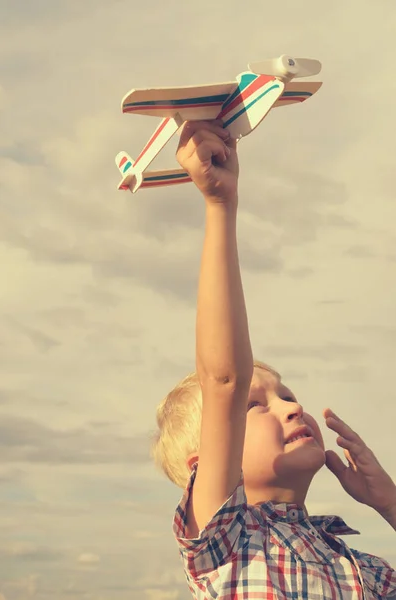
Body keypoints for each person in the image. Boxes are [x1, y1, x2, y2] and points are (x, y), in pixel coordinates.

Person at [151, 120, 396, 598]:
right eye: (254, 404)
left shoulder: (365, 569)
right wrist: (221, 204)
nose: (290, 407)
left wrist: (389, 502)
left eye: (288, 395)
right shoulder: (227, 544)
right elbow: (224, 379)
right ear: (207, 464)